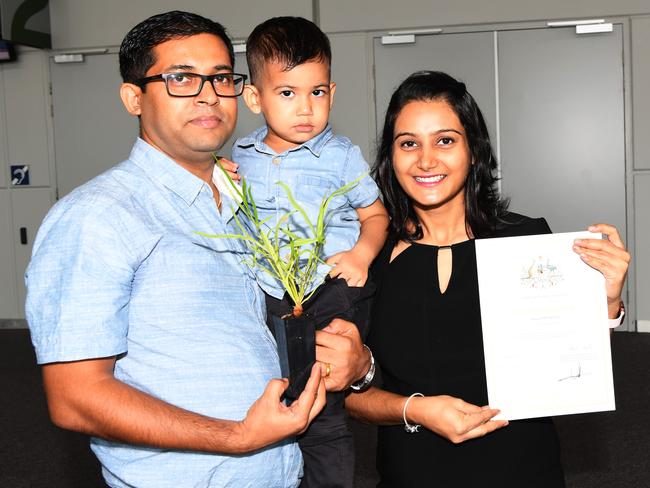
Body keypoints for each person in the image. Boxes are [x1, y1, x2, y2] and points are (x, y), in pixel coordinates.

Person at [25, 11, 371, 488]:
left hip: (287, 473)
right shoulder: (96, 216)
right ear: (133, 98)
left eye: (221, 77)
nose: (208, 93)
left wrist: (357, 364)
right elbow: (74, 397)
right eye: (181, 78)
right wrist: (238, 437)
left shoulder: (248, 198)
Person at [344, 71, 630, 487]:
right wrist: (417, 410)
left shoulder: (526, 242)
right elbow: (352, 396)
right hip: (412, 470)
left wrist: (604, 303)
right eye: (409, 143)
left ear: (474, 151)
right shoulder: (369, 257)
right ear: (391, 156)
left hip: (520, 469)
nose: (426, 160)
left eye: (445, 140)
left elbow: (570, 369)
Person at [224, 16, 389, 488]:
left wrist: (361, 255)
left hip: (330, 290)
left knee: (323, 404)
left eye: (317, 93)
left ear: (332, 93)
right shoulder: (242, 153)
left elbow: (376, 216)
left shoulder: (340, 155)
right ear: (255, 98)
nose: (305, 108)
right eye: (288, 93)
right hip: (273, 291)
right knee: (273, 392)